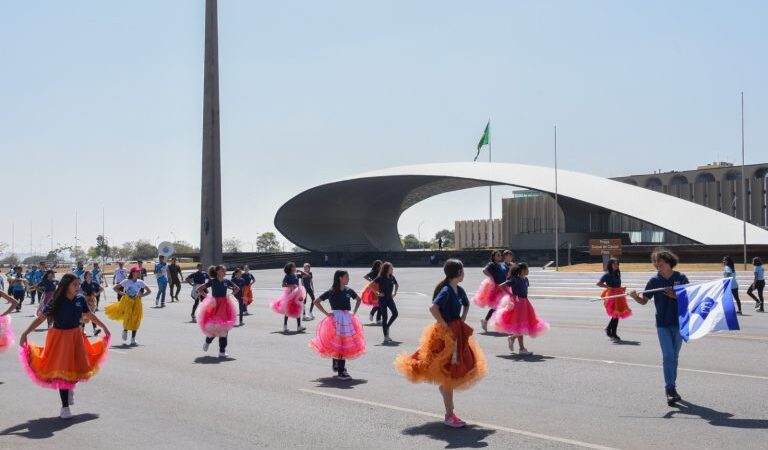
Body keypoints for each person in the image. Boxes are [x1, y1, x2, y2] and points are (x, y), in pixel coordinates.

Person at [394, 259, 487, 428]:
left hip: (457, 331)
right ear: (458, 272)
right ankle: (449, 415)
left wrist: (463, 317)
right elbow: (433, 308)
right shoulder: (446, 290)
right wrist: (444, 324)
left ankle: (447, 401)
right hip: (447, 335)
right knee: (449, 372)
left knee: (456, 368)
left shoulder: (458, 289)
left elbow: (466, 304)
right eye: (463, 271)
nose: (464, 274)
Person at [18, 274, 110, 419]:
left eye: (78, 284)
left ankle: (70, 386)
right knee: (62, 371)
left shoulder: (80, 299)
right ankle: (65, 407)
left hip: (76, 336)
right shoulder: (56, 300)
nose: (78, 287)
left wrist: (104, 327)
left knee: (79, 367)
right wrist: (25, 333)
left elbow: (90, 315)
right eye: (75, 284)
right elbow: (41, 318)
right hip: (60, 338)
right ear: (66, 285)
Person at [629, 248, 689, 406]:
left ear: (668, 262)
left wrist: (674, 296)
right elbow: (644, 301)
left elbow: (689, 300)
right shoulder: (654, 281)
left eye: (660, 262)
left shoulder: (681, 278)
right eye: (655, 263)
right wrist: (635, 297)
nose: (657, 265)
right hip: (662, 324)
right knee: (668, 356)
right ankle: (669, 388)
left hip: (679, 323)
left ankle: (672, 386)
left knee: (674, 357)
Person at [310, 270, 365, 380]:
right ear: (340, 278)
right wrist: (326, 313)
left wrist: (354, 312)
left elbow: (358, 299)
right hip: (336, 319)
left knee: (343, 342)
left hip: (347, 319)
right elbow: (316, 301)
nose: (348, 279)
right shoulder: (331, 291)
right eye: (346, 277)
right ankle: (341, 371)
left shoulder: (349, 290)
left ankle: (338, 365)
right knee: (339, 343)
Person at [492, 262, 549, 355]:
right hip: (518, 303)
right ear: (522, 270)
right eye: (527, 269)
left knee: (526, 324)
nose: (528, 270)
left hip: (525, 302)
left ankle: (512, 338)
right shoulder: (515, 279)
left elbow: (525, 290)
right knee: (521, 325)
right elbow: (501, 286)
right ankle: (521, 348)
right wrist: (510, 295)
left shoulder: (526, 279)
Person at [196, 265, 239, 358]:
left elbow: (237, 288)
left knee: (224, 329)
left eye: (224, 270)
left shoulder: (227, 281)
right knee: (214, 328)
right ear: (217, 272)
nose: (224, 272)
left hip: (224, 305)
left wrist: (230, 295)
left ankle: (222, 351)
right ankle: (207, 341)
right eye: (222, 270)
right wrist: (207, 296)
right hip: (215, 305)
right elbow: (199, 289)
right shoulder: (212, 281)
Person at [107, 266, 151, 346]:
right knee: (128, 317)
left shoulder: (140, 282)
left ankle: (133, 339)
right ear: (133, 273)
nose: (139, 273)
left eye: (139, 272)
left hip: (137, 302)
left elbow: (149, 291)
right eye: (137, 272)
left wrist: (141, 296)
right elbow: (115, 288)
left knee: (136, 319)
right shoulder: (126, 281)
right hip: (127, 302)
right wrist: (123, 294)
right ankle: (125, 330)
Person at [597, 258, 632, 341]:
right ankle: (613, 333)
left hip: (619, 296)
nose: (616, 265)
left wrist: (621, 289)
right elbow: (599, 283)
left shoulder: (617, 274)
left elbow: (617, 285)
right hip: (611, 297)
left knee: (616, 315)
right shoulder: (607, 274)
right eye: (614, 264)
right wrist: (608, 287)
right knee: (616, 315)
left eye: (617, 264)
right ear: (610, 265)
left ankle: (609, 329)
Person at [474, 250, 508, 333]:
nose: (499, 256)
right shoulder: (491, 264)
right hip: (496, 288)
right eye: (497, 255)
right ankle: (485, 321)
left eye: (500, 255)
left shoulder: (502, 265)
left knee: (503, 307)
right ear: (493, 257)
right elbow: (484, 270)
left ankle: (498, 323)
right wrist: (491, 277)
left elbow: (508, 272)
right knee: (496, 307)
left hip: (503, 287)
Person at [270, 262, 306, 333]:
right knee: (287, 309)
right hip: (290, 294)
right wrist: (291, 285)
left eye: (295, 266)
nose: (295, 267)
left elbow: (306, 275)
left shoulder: (296, 275)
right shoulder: (287, 276)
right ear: (290, 268)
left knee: (298, 308)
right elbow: (283, 285)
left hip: (297, 293)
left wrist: (300, 271)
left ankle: (299, 326)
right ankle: (285, 326)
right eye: (293, 267)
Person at [370, 262, 399, 344]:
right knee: (385, 317)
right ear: (387, 269)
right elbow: (371, 285)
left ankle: (387, 327)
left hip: (389, 298)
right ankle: (386, 337)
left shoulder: (392, 277)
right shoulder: (381, 277)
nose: (392, 269)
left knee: (395, 313)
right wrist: (377, 293)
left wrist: (395, 293)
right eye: (391, 268)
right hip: (382, 299)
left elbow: (397, 285)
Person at [80, 272, 103, 337]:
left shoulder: (94, 283)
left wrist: (96, 294)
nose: (91, 275)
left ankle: (95, 329)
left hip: (92, 301)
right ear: (85, 276)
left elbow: (101, 289)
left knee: (92, 315)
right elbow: (79, 291)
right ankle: (83, 329)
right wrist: (83, 294)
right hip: (85, 300)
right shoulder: (83, 284)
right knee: (84, 315)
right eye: (89, 274)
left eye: (91, 274)